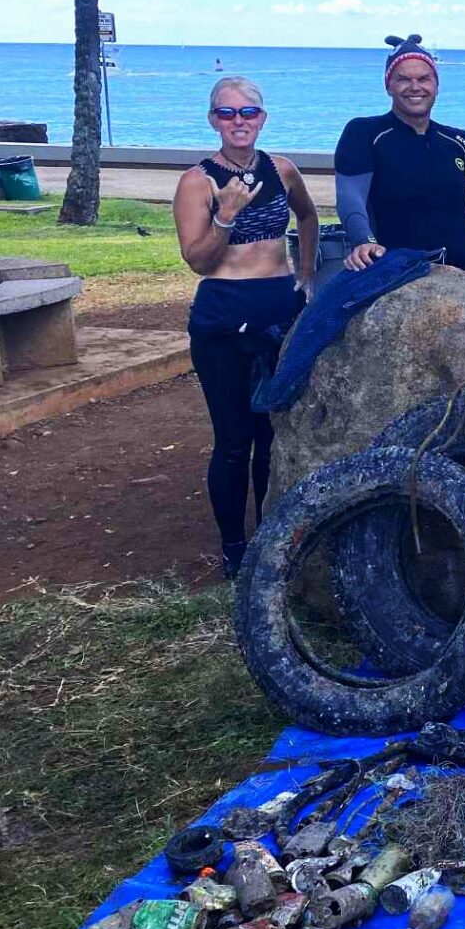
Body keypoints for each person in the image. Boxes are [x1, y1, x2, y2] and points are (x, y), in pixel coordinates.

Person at [172, 77, 317, 577]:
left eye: (248, 112)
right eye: (227, 113)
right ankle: (235, 548)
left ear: (263, 117)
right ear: (213, 119)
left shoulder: (282, 170)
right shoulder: (198, 181)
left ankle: (273, 537)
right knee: (234, 440)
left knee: (273, 434)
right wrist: (227, 216)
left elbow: (308, 217)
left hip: (280, 310)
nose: (239, 121)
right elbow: (197, 260)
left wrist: (306, 275)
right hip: (223, 318)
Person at [336, 34, 465, 272]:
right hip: (392, 273)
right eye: (403, 79)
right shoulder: (365, 133)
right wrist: (363, 241)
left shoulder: (454, 141)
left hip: (458, 272)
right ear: (388, 86)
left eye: (424, 79)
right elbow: (350, 198)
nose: (415, 87)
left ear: (436, 86)